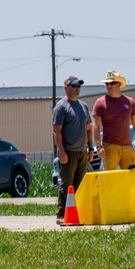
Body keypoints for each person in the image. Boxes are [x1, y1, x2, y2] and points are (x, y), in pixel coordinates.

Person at [52, 75, 94, 225]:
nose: (77, 88)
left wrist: (90, 149)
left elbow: (89, 129)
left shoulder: (83, 106)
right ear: (66, 87)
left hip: (82, 152)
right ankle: (62, 215)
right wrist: (62, 152)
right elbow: (57, 131)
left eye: (79, 86)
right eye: (74, 85)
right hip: (68, 153)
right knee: (66, 184)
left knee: (80, 185)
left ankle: (76, 215)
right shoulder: (61, 107)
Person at [91, 69, 135, 171]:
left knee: (134, 175)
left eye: (112, 83)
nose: (109, 86)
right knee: (110, 179)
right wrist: (99, 146)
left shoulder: (130, 102)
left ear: (119, 84)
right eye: (107, 83)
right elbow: (95, 126)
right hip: (110, 146)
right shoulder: (100, 102)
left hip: (128, 146)